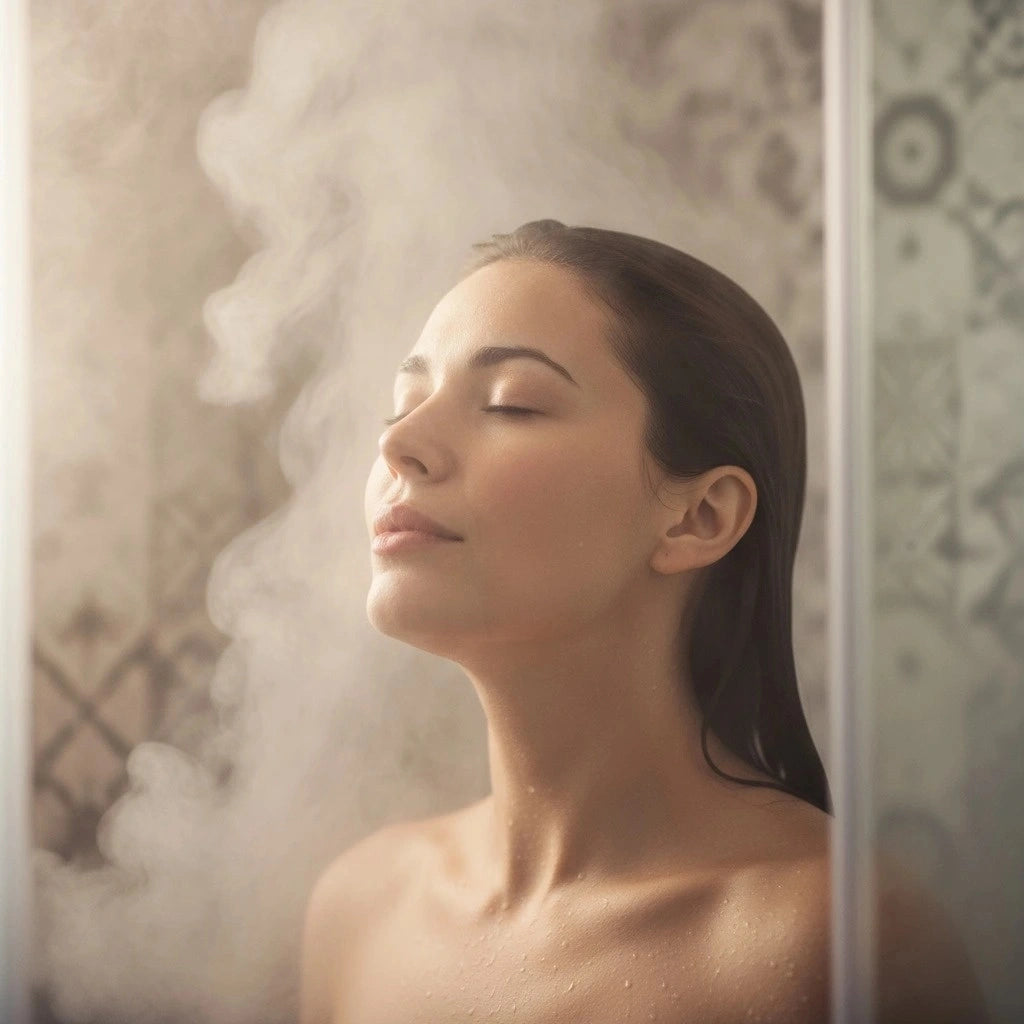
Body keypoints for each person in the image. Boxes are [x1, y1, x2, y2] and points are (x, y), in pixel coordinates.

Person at [299, 221, 991, 1023]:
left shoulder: (835, 945)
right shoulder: (359, 910)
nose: (398, 444)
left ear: (699, 517)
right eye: (403, 403)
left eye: (511, 404)